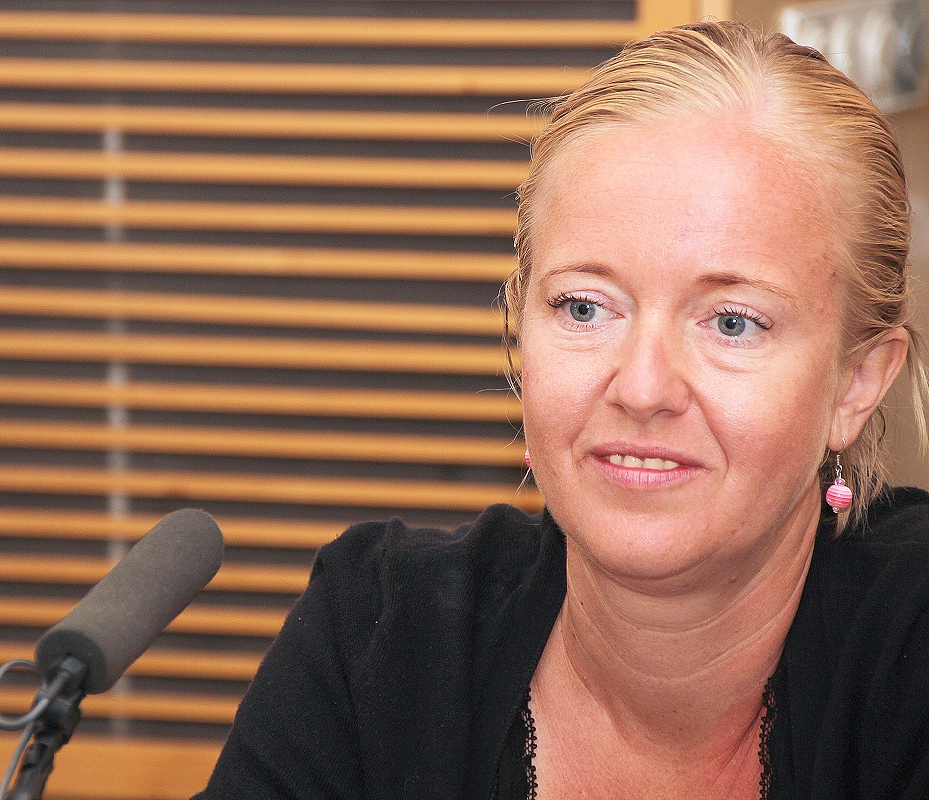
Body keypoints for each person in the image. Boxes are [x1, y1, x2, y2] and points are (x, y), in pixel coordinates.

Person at [192, 20, 929, 800]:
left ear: (856, 383)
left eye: (733, 323)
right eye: (584, 307)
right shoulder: (378, 635)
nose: (642, 388)